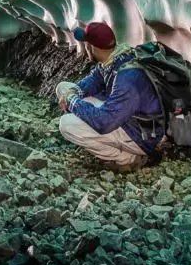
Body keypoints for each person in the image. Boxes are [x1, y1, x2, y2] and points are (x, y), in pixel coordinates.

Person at [55, 22, 163, 171]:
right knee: (63, 88)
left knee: (66, 125)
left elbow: (104, 122)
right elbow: (92, 80)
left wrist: (72, 102)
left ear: (92, 47)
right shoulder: (115, 59)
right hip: (123, 117)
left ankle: (128, 158)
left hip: (142, 135)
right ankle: (101, 140)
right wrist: (71, 94)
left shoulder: (127, 78)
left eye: (86, 44)